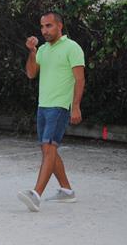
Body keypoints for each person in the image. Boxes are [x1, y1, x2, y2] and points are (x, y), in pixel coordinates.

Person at [17, 11, 85, 212]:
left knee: (49, 148)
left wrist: (76, 106)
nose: (45, 30)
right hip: (43, 106)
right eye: (42, 26)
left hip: (59, 107)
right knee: (47, 150)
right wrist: (32, 51)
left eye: (49, 26)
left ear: (59, 26)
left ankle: (36, 194)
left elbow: (80, 79)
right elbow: (31, 74)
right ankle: (66, 191)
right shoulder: (43, 50)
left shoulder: (72, 48)